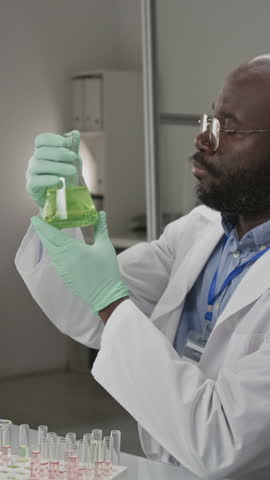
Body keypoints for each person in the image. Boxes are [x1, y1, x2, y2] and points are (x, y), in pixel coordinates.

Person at [15, 55, 270, 480]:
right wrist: (66, 210)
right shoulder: (200, 232)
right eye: (211, 120)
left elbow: (222, 441)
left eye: (229, 128)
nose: (204, 140)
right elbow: (87, 314)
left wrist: (110, 301)